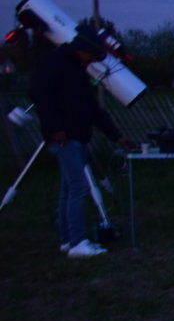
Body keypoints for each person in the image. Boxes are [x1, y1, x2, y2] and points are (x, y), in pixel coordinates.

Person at [29, 25, 135, 257]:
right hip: (64, 136)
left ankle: (67, 239)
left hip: (76, 135)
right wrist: (55, 127)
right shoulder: (55, 62)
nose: (93, 61)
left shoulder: (77, 69)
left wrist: (117, 136)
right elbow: (41, 96)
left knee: (68, 189)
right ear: (83, 49)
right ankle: (78, 242)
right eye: (92, 56)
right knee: (78, 188)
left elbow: (92, 109)